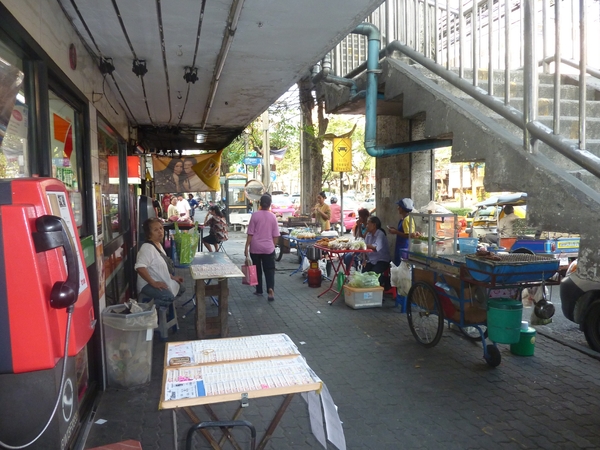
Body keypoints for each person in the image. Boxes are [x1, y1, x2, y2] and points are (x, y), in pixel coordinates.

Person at [135, 218, 185, 307]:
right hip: (147, 284)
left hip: (159, 279)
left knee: (181, 288)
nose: (160, 231)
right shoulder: (147, 248)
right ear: (149, 233)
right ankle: (144, 309)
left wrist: (172, 277)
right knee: (168, 297)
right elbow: (140, 268)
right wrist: (153, 283)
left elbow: (160, 267)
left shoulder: (158, 244)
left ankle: (163, 310)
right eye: (155, 230)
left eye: (161, 228)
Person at [244, 194, 280, 301]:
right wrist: (272, 246)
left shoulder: (255, 215)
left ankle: (259, 290)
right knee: (269, 270)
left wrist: (246, 248)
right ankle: (270, 290)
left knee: (257, 269)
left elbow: (250, 233)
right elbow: (276, 235)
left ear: (260, 203)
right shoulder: (273, 217)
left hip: (255, 248)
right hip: (268, 248)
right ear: (269, 205)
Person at [363, 216, 392, 288]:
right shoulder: (368, 234)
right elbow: (364, 249)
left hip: (382, 260)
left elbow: (375, 247)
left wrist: (363, 245)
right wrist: (364, 259)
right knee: (363, 275)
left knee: (373, 275)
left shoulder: (380, 234)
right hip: (371, 260)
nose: (366, 226)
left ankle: (386, 281)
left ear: (374, 225)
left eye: (368, 224)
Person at [387, 198, 418, 265]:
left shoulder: (407, 220)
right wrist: (395, 230)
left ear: (403, 209)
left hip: (404, 247)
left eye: (399, 206)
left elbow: (409, 235)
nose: (398, 208)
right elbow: (404, 231)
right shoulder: (404, 219)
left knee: (402, 266)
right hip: (400, 246)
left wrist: (396, 232)